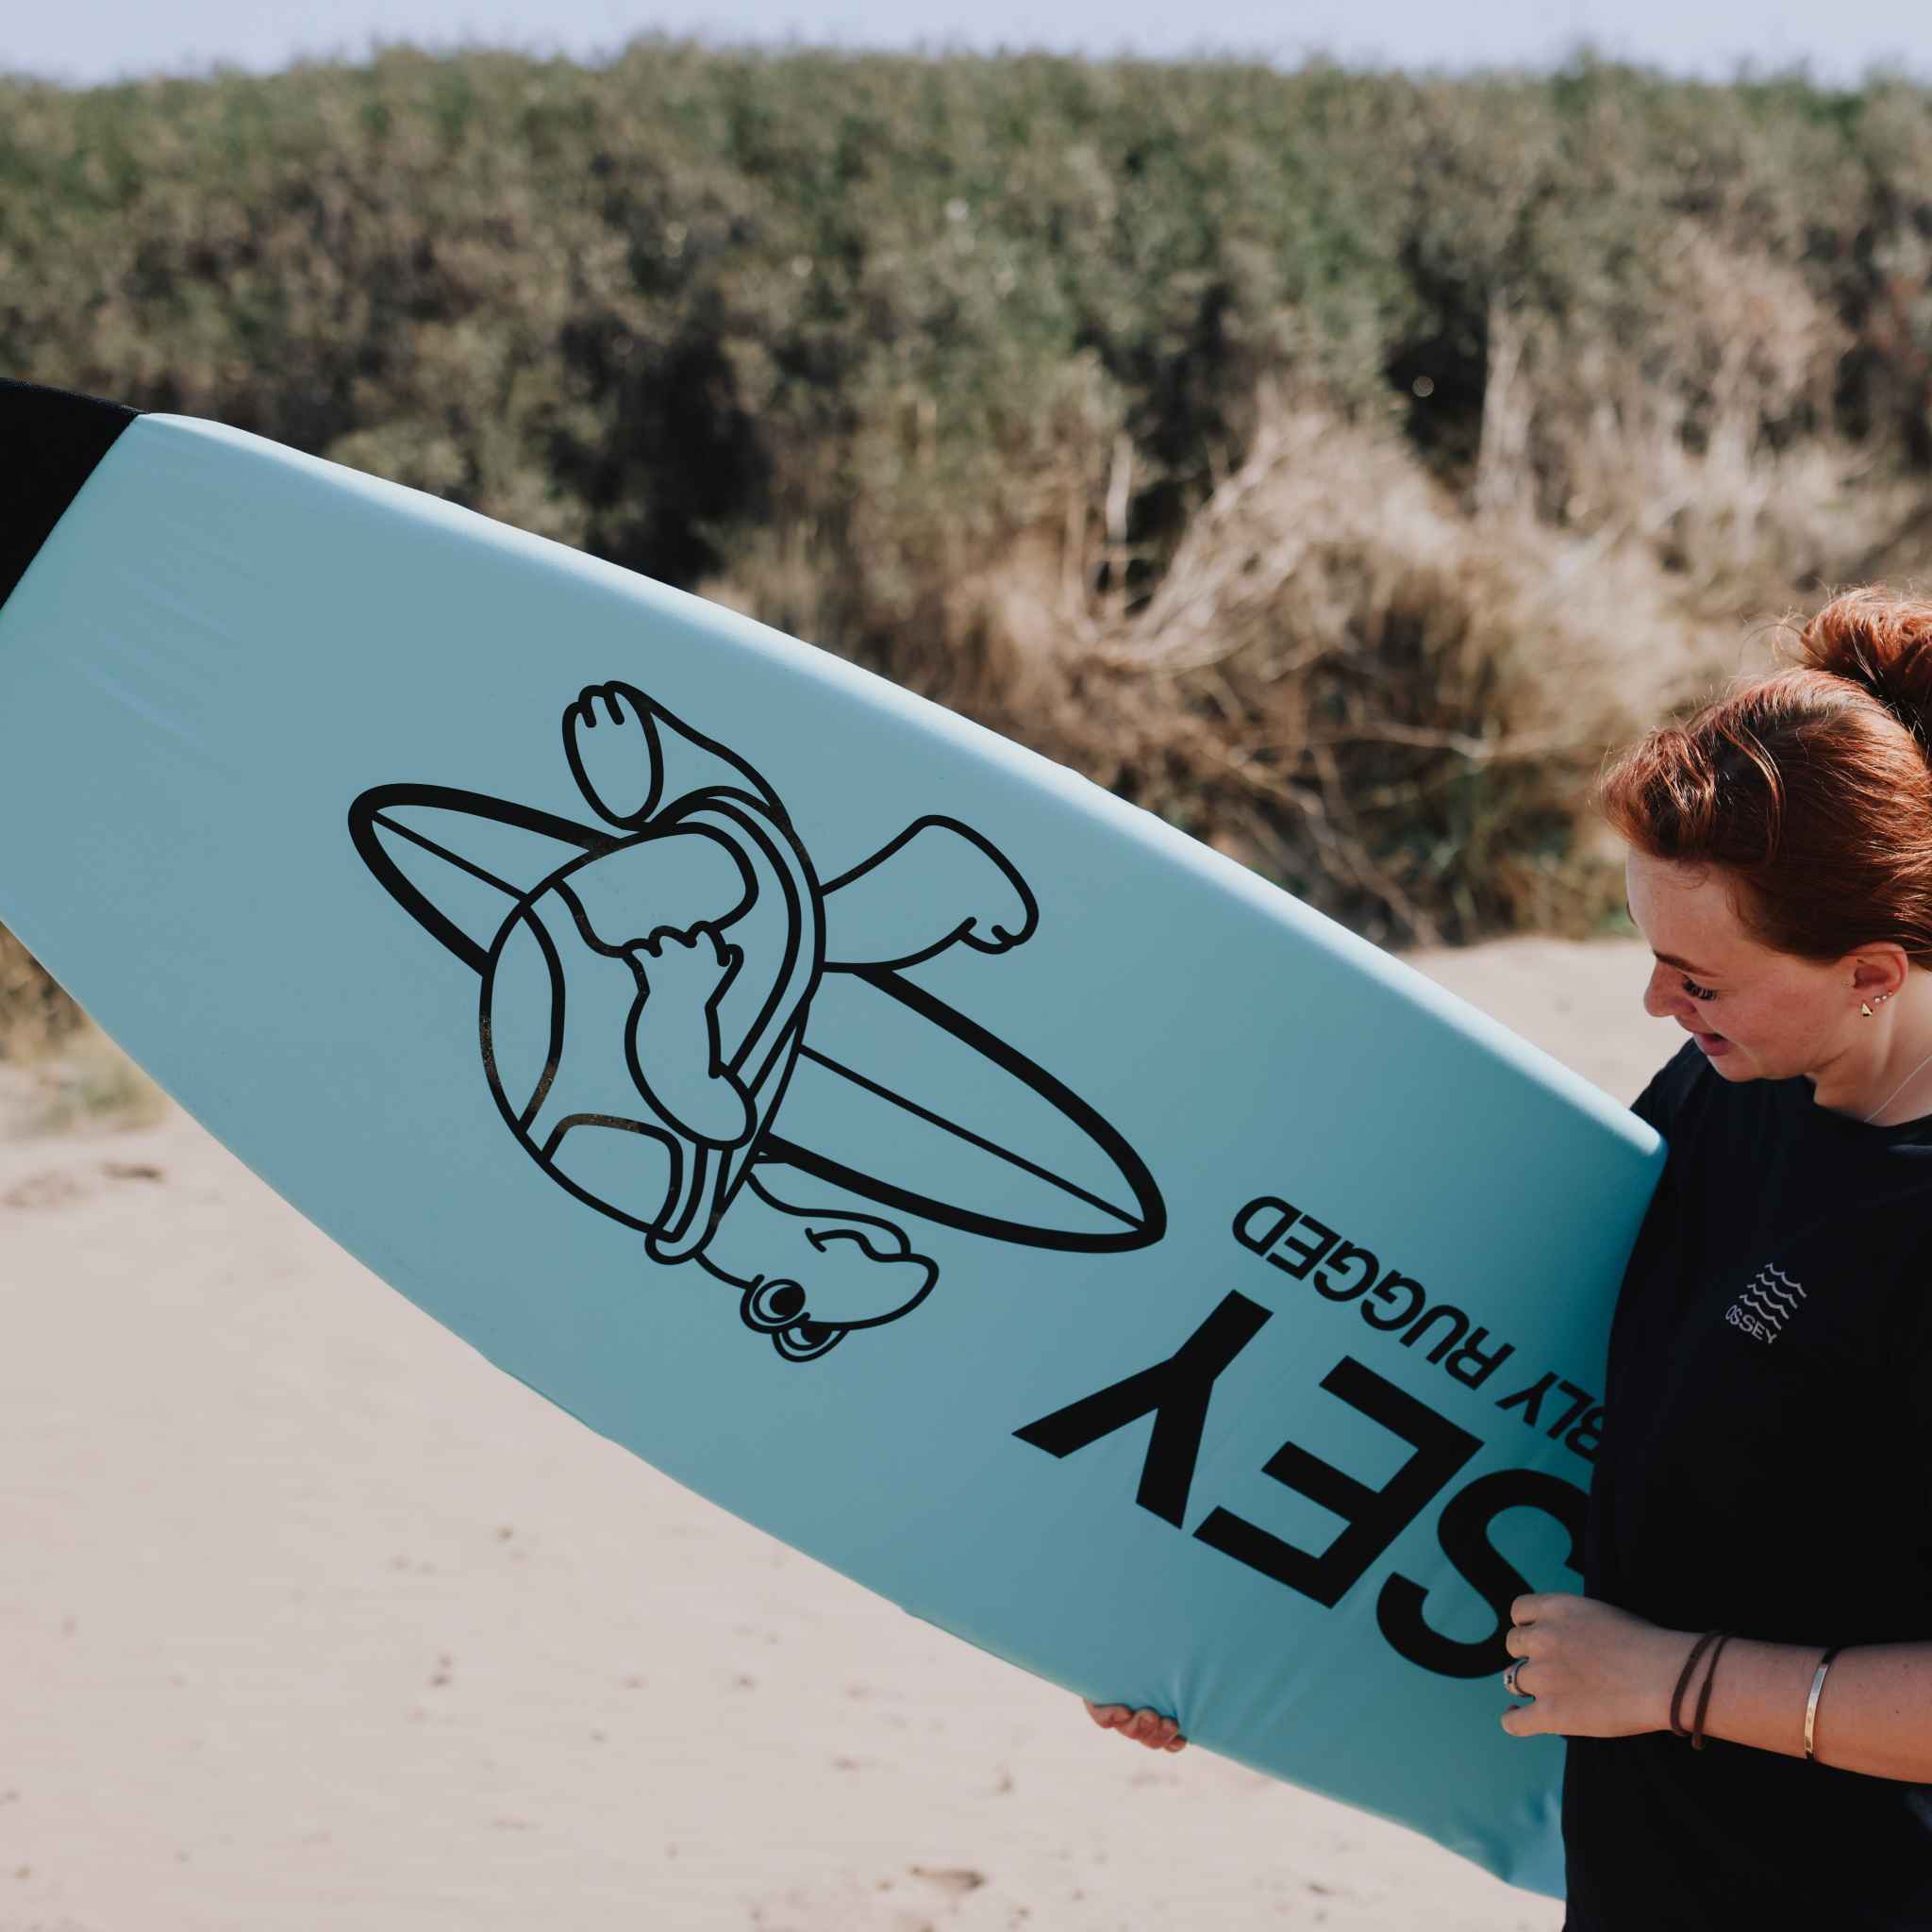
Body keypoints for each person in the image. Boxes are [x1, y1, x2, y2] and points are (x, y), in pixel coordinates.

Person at [1081, 585, 1932, 1927]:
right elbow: (1518, 1409)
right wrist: (1229, 1645)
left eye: (1699, 977)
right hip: (1645, 1876)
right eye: (1653, 956)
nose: (1659, 1004)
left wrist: (1668, 1683)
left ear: (1872, 972)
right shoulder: (1735, 1081)